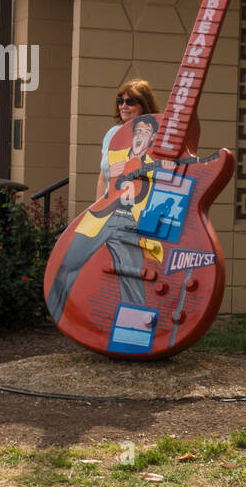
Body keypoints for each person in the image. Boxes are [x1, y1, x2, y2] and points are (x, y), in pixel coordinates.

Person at [47, 113, 161, 327]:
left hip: (131, 225)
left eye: (146, 132)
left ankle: (134, 337)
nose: (124, 105)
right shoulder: (116, 149)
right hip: (103, 216)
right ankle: (61, 317)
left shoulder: (157, 162)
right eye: (138, 131)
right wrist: (97, 205)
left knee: (133, 282)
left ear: (153, 137)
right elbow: (103, 176)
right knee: (68, 260)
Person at [96, 79, 160, 199]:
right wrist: (96, 211)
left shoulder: (157, 135)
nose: (123, 106)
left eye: (130, 102)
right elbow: (103, 178)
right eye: (120, 101)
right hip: (109, 208)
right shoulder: (112, 134)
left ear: (145, 105)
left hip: (140, 210)